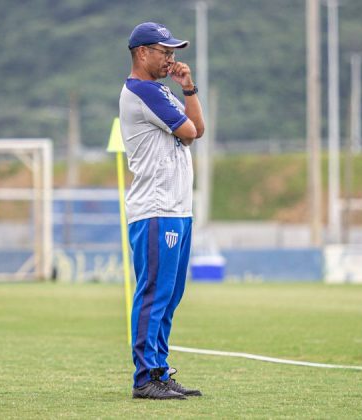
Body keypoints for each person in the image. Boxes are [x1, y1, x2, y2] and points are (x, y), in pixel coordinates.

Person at [120, 22, 205, 400]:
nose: (171, 57)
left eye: (172, 51)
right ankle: (145, 378)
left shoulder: (162, 91)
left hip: (176, 208)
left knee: (170, 295)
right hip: (156, 208)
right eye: (164, 51)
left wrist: (188, 88)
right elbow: (188, 132)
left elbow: (197, 128)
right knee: (154, 292)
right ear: (142, 53)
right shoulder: (141, 91)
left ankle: (160, 369)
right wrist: (183, 103)